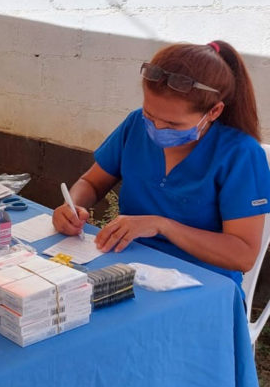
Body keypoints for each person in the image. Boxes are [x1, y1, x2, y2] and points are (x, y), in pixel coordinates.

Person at [52, 40, 270, 295]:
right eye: (150, 115)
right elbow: (92, 183)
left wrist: (161, 225)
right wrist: (72, 207)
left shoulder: (240, 154)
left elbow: (242, 255)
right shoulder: (135, 124)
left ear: (213, 112)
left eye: (173, 124)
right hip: (127, 269)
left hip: (201, 286)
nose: (157, 129)